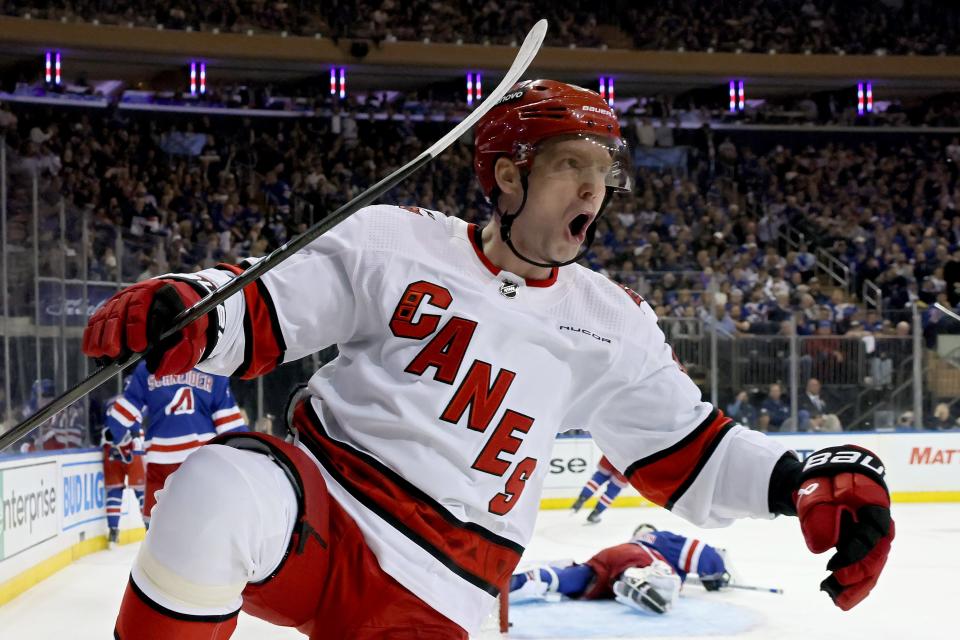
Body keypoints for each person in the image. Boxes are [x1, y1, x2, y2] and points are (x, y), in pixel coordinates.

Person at [81, 79, 894, 640]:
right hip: (319, 505)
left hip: (445, 585)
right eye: (571, 165)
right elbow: (269, 307)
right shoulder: (396, 240)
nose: (592, 190)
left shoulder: (613, 324)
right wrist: (188, 303)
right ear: (508, 175)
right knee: (216, 491)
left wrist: (804, 477)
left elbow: (696, 451)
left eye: (603, 173)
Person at [102, 361, 248, 527]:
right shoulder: (214, 368)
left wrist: (114, 433)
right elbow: (229, 423)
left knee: (155, 520)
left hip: (160, 459)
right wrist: (246, 452)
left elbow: (128, 406)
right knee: (203, 517)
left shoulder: (148, 368)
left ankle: (157, 546)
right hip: (201, 459)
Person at [509, 531, 682, 614]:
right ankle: (634, 576)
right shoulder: (657, 544)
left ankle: (523, 579)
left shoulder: (637, 540)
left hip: (606, 561)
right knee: (664, 580)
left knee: (577, 578)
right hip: (635, 558)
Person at [100, 405, 146, 546]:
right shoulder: (136, 406)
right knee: (140, 491)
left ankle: (113, 532)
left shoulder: (112, 407)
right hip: (126, 450)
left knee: (117, 491)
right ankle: (150, 528)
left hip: (118, 450)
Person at [571, 455, 629, 523]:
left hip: (612, 451)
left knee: (600, 476)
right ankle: (595, 514)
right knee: (614, 488)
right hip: (629, 460)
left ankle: (582, 498)